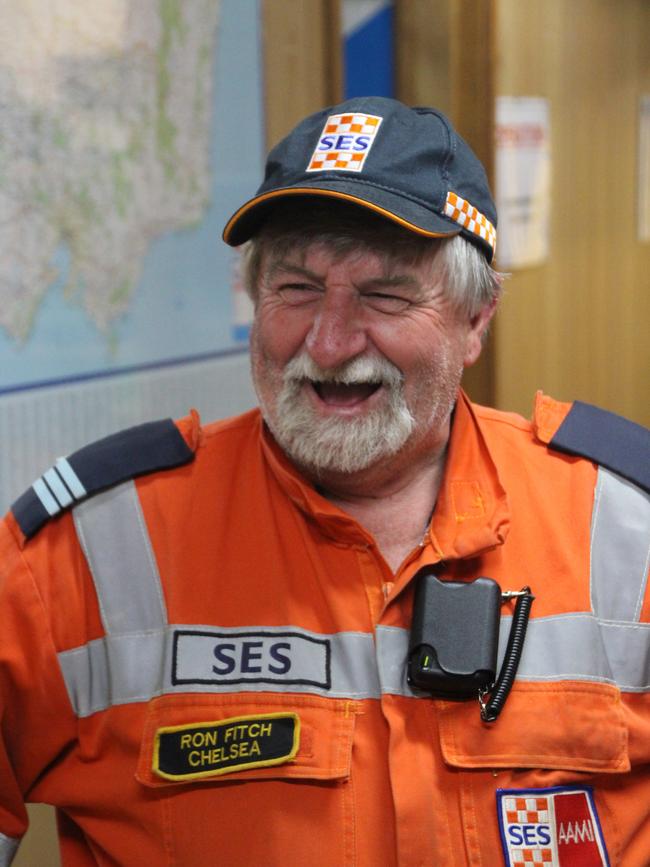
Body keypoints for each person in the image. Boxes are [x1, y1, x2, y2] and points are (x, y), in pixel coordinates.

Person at [1, 96, 648, 867]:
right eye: (297, 288)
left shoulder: (623, 531)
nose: (331, 341)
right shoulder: (86, 555)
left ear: (476, 320)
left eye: (385, 294)